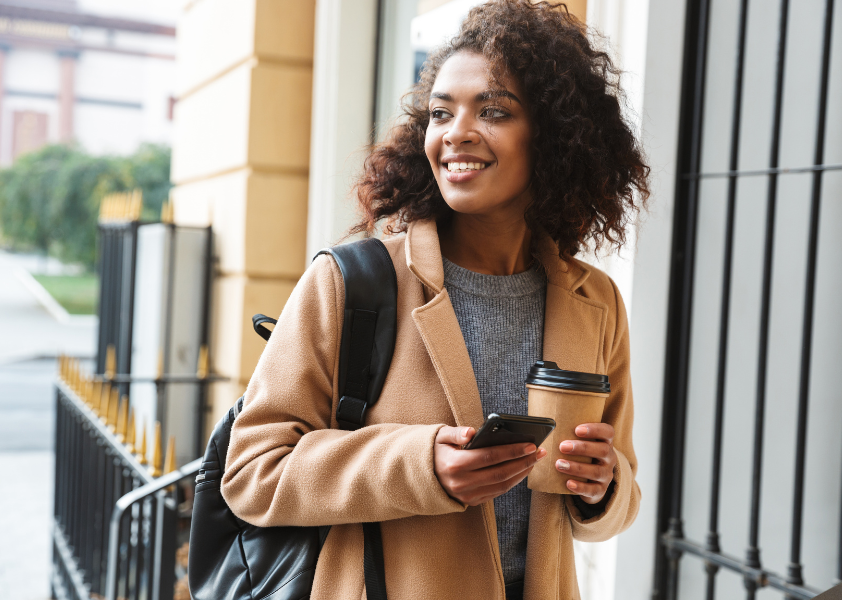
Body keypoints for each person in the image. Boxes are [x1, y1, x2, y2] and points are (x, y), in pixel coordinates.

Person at [220, 1, 649, 598]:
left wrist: (603, 486)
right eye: (440, 113)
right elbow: (251, 473)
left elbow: (622, 489)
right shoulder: (352, 280)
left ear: (553, 137)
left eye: (493, 111)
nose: (456, 133)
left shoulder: (593, 301)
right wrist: (421, 465)